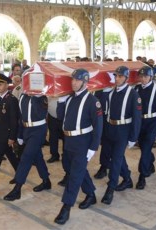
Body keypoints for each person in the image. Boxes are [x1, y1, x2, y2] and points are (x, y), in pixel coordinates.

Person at [54, 69, 103, 225]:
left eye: (77, 80)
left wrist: (93, 148)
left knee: (74, 176)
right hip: (69, 141)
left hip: (83, 142)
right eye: (72, 80)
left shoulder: (91, 101)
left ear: (85, 81)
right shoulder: (69, 99)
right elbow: (61, 118)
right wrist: (61, 101)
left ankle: (66, 208)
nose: (73, 82)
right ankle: (90, 194)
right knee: (72, 169)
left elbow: (98, 126)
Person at [101, 66, 142, 205]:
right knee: (115, 156)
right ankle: (127, 178)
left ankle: (110, 188)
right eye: (115, 76)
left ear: (126, 78)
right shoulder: (112, 93)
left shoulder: (133, 94)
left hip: (123, 130)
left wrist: (133, 137)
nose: (117, 79)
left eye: (120, 76)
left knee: (116, 160)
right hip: (110, 129)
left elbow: (137, 118)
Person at [3, 93, 51, 201]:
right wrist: (20, 134)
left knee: (26, 157)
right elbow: (21, 117)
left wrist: (36, 97)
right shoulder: (23, 96)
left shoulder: (42, 97)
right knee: (37, 157)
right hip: (26, 130)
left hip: (38, 130)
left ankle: (17, 188)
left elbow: (40, 114)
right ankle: (46, 181)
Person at [135, 66, 156, 189]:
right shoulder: (137, 89)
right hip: (140, 123)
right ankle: (151, 162)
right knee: (144, 149)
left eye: (145, 77)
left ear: (151, 77)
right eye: (141, 76)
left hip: (152, 124)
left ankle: (142, 176)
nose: (143, 79)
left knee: (146, 150)